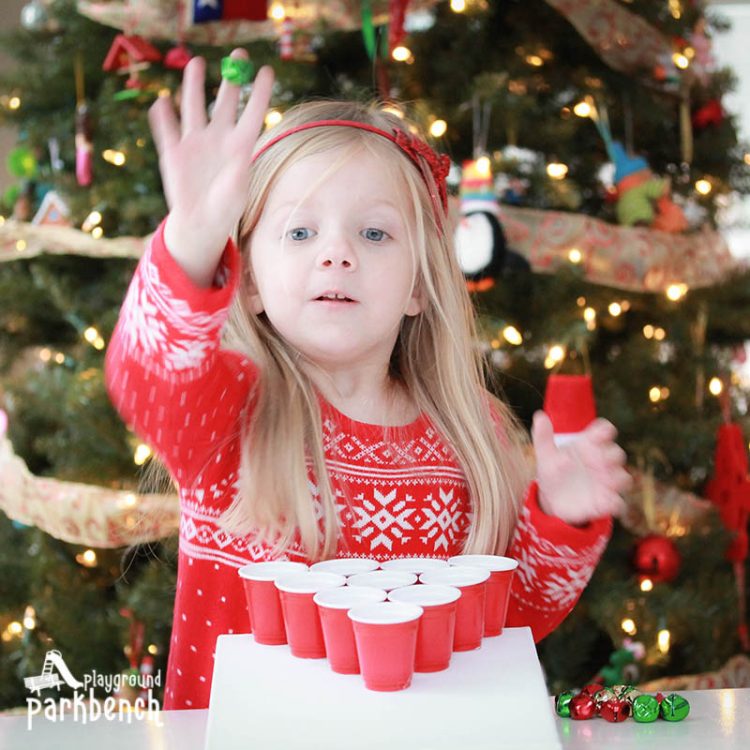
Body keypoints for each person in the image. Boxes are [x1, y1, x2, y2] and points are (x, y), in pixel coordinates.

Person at [105, 50, 630, 710]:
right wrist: (193, 237)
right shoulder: (228, 411)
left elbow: (503, 627)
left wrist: (559, 520)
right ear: (253, 280)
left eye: (375, 233)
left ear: (417, 284)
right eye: (299, 230)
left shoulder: (474, 435)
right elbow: (147, 375)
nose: (337, 251)